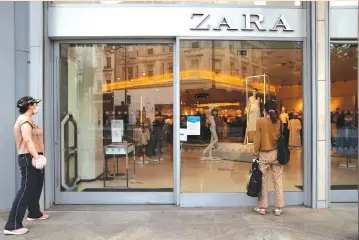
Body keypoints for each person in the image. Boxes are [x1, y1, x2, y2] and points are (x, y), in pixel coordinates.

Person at [4, 96, 49, 235]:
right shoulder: (24, 121)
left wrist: (40, 155)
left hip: (35, 157)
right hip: (28, 157)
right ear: (29, 106)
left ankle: (34, 212)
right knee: (26, 189)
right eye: (35, 104)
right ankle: (12, 225)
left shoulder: (30, 121)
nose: (37, 106)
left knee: (36, 185)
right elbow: (28, 140)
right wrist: (36, 157)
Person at [252, 100, 284, 216]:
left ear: (264, 110)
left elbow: (257, 140)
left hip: (264, 155)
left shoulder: (260, 121)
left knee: (263, 181)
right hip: (276, 154)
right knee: (278, 181)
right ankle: (278, 208)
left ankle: (262, 207)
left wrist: (255, 155)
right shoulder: (279, 122)